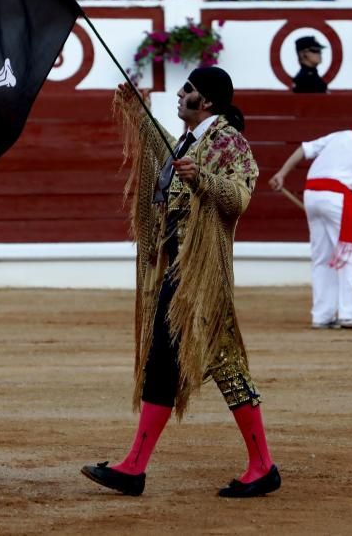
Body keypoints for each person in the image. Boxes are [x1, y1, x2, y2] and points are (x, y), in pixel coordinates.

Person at [82, 66, 280, 499]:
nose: (180, 93)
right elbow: (165, 151)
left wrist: (202, 180)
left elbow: (240, 197)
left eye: (188, 89)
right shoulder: (194, 140)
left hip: (203, 271)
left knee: (223, 363)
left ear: (206, 101)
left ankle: (261, 466)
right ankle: (134, 467)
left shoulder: (228, 140)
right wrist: (139, 111)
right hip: (177, 267)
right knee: (163, 362)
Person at [268, 118, 352, 330]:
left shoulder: (342, 134)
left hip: (311, 194)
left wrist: (282, 174)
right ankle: (350, 312)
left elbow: (304, 149)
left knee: (322, 256)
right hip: (338, 198)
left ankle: (322, 315)